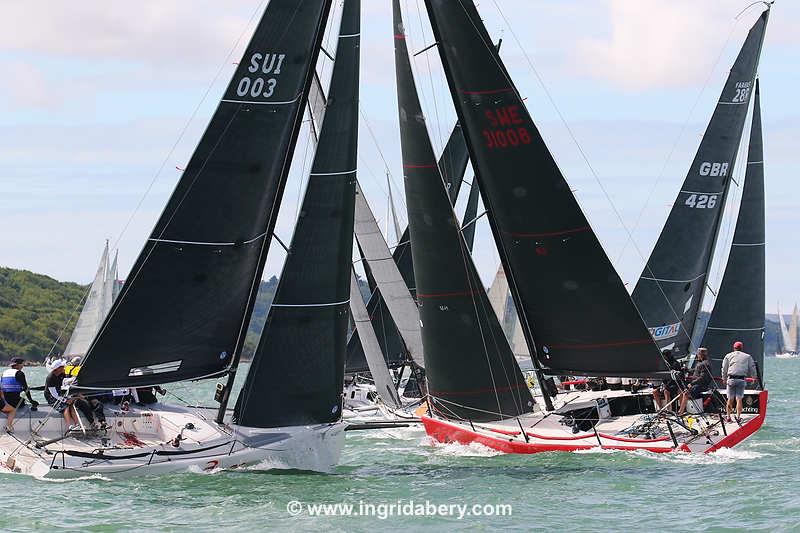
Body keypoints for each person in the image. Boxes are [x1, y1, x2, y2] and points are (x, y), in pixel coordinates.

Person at [721, 341, 757, 423]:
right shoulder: (747, 356)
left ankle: (728, 417)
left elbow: (724, 368)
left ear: (734, 348)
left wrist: (724, 378)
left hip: (731, 379)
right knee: (739, 399)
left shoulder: (728, 356)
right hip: (741, 379)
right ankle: (738, 417)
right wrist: (754, 377)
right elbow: (752, 367)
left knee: (730, 399)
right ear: (742, 348)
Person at [44, 359, 79, 430]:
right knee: (66, 407)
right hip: (51, 397)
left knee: (72, 405)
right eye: (63, 367)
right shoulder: (50, 378)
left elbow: (65, 381)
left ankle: (77, 425)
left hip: (59, 394)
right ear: (58, 368)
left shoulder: (62, 374)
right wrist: (65, 400)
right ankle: (69, 426)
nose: (64, 368)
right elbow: (54, 395)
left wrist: (75, 379)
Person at [677, 348, 713, 416]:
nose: (697, 355)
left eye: (698, 354)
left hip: (701, 385)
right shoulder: (700, 363)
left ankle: (680, 412)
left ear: (701, 355)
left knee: (686, 394)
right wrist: (687, 370)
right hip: (696, 384)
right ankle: (683, 409)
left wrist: (692, 383)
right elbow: (696, 371)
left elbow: (702, 377)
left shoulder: (705, 364)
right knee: (681, 391)